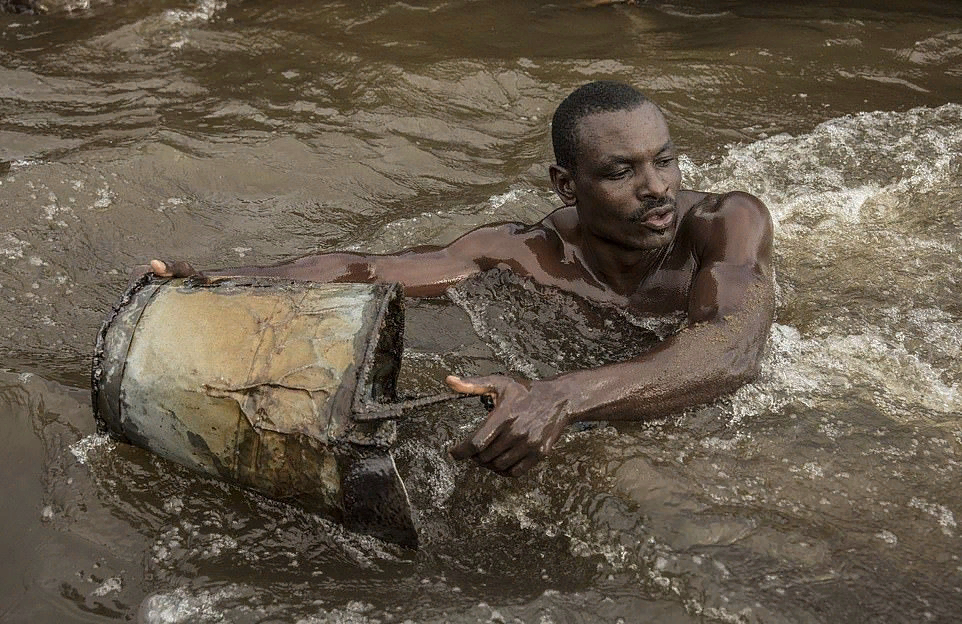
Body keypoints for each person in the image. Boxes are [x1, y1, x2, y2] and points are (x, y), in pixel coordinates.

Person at [147, 81, 775, 477]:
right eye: (622, 172)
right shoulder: (525, 253)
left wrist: (558, 396)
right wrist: (235, 277)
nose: (658, 188)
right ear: (565, 185)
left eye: (664, 160)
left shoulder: (726, 223)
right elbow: (370, 270)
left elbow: (732, 346)